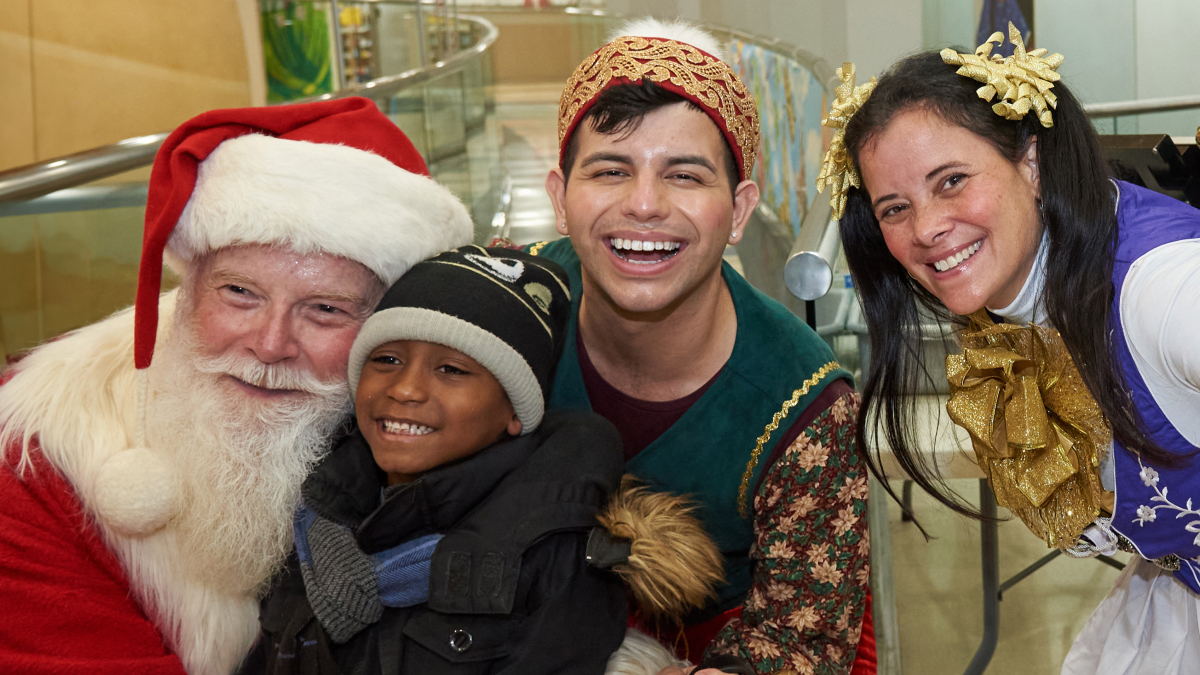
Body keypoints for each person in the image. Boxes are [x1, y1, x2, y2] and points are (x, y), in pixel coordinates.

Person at [0, 98, 474, 675]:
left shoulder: (445, 433)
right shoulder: (32, 460)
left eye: (325, 309)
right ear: (190, 289)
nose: (270, 344)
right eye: (239, 293)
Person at [826, 23, 1200, 675]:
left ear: (1029, 162)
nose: (927, 229)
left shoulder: (1161, 290)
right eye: (893, 208)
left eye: (951, 181)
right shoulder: (1014, 297)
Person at [531, 18, 874, 675]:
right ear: (560, 198)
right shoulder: (510, 311)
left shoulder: (807, 409)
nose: (645, 204)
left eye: (684, 175)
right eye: (609, 169)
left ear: (740, 210)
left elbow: (799, 642)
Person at [242, 245, 724, 675]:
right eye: (385, 359)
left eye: (452, 370)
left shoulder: (560, 559)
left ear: (514, 412)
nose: (405, 389)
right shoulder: (313, 512)